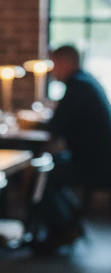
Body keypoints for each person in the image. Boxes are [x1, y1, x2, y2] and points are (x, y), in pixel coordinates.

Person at [36, 44, 111, 251]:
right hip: (95, 159)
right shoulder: (85, 82)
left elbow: (55, 127)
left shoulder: (78, 87)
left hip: (96, 165)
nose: (52, 71)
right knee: (47, 168)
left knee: (39, 177)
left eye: (54, 64)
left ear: (66, 62)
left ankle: (63, 229)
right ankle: (68, 222)